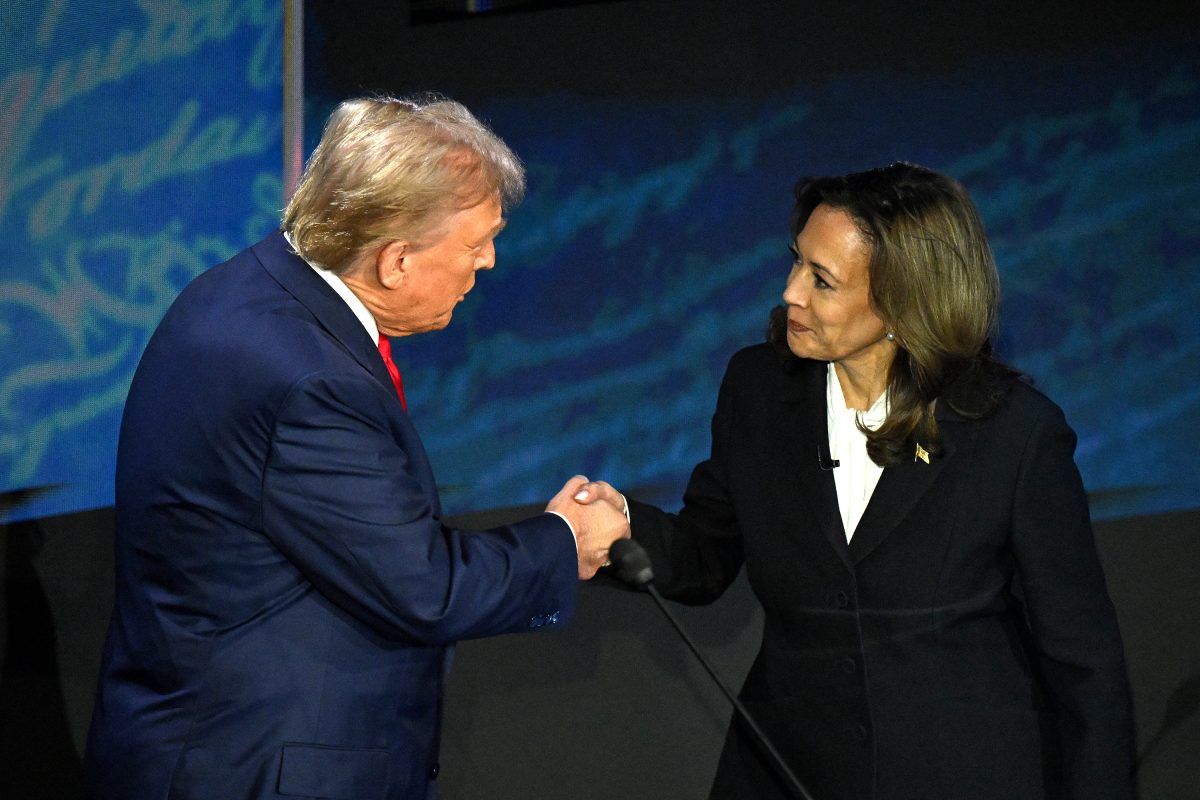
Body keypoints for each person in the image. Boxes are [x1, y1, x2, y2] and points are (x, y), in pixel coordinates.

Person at [82, 96, 629, 800]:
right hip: (258, 768)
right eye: (475, 245)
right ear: (396, 260)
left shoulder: (250, 288)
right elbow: (425, 588)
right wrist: (564, 539)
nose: (488, 263)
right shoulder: (310, 381)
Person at [577, 163, 1134, 799]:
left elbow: (1084, 663)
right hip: (790, 771)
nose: (791, 293)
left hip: (961, 775)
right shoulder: (759, 391)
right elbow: (706, 554)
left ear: (903, 300)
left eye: (823, 280)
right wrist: (621, 527)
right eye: (795, 265)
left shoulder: (1013, 434)